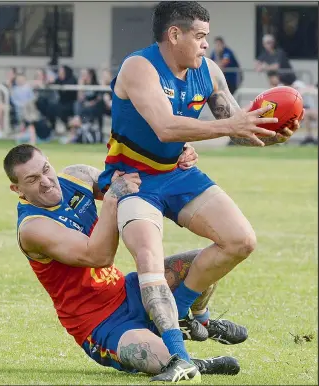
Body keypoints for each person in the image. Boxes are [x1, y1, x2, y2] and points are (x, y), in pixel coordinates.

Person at [97, 1, 301, 379]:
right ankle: (179, 356)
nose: (207, 45)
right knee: (149, 260)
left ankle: (183, 313)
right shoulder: (139, 67)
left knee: (241, 241)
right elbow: (165, 127)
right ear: (175, 35)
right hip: (133, 181)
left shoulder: (208, 72)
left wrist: (272, 135)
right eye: (201, 37)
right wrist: (234, 127)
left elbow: (238, 127)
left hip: (178, 174)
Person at [3, 144, 239, 382]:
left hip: (127, 290)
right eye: (32, 179)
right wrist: (112, 197)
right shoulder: (33, 227)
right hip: (99, 323)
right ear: (17, 188)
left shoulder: (77, 177)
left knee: (202, 263)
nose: (45, 181)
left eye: (45, 169)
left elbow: (133, 182)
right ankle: (198, 362)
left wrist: (174, 157)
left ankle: (198, 319)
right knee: (165, 359)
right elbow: (98, 256)